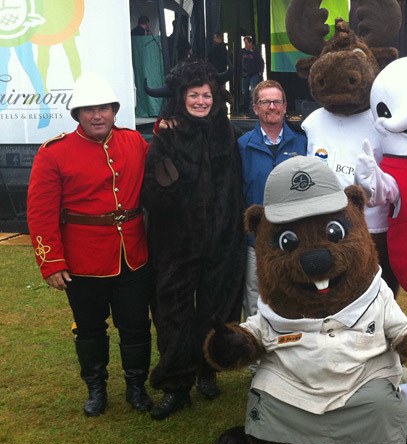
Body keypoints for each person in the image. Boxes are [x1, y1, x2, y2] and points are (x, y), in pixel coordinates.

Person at [26, 72, 153, 417]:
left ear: (114, 111)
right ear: (77, 114)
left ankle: (136, 387)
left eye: (104, 109)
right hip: (83, 261)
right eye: (88, 109)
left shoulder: (135, 143)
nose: (97, 115)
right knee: (90, 328)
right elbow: (41, 213)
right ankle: (96, 389)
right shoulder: (54, 153)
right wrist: (51, 263)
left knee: (136, 326)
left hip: (133, 257)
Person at [142, 58, 246, 420]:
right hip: (177, 247)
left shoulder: (227, 134)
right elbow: (150, 192)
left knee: (217, 311)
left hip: (221, 243)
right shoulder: (166, 135)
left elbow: (237, 188)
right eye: (193, 95)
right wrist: (165, 184)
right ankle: (175, 385)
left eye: (206, 94)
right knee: (173, 315)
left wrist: (232, 233)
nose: (201, 101)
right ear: (181, 98)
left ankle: (207, 370)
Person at [237, 80, 307, 319]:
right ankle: (257, 355)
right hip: (257, 242)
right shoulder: (242, 146)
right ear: (255, 108)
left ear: (285, 106)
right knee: (256, 300)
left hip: (295, 239)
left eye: (277, 101)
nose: (272, 106)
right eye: (265, 102)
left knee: (294, 296)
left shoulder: (302, 143)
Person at [240, 36, 264, 114]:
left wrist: (260, 72)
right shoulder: (242, 51)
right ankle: (246, 109)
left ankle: (252, 109)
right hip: (245, 74)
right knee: (245, 92)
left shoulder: (256, 51)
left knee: (253, 91)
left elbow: (261, 62)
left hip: (254, 74)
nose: (245, 45)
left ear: (250, 43)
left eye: (246, 43)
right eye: (244, 43)